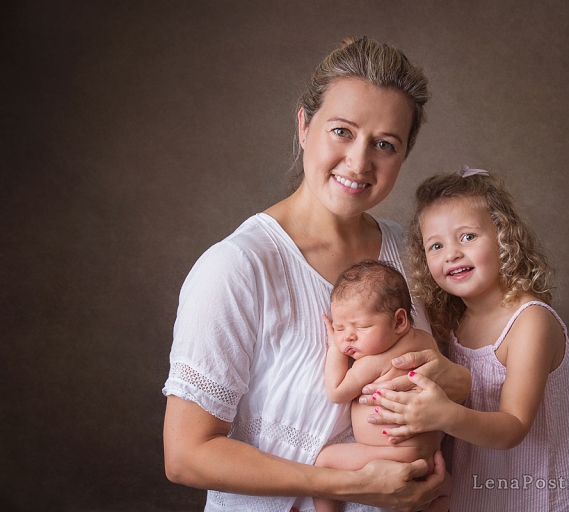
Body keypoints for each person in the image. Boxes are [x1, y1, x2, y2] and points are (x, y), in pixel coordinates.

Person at [161, 37, 471, 512]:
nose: (359, 162)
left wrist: (452, 382)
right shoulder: (238, 267)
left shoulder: (414, 255)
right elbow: (185, 456)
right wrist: (349, 484)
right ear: (305, 125)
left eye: (385, 144)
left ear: (403, 156)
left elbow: (476, 376)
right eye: (342, 131)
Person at [367, 167, 569, 511]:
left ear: (503, 237)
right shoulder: (454, 321)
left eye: (467, 237)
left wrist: (442, 414)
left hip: (533, 495)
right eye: (436, 245)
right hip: (475, 494)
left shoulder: (530, 321)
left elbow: (512, 427)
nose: (452, 253)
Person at [313, 260, 450, 512]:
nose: (347, 336)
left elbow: (336, 392)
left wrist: (335, 349)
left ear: (399, 322)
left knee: (323, 462)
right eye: (340, 327)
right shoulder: (425, 342)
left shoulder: (372, 363)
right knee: (442, 497)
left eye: (361, 327)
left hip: (391, 456)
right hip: (430, 456)